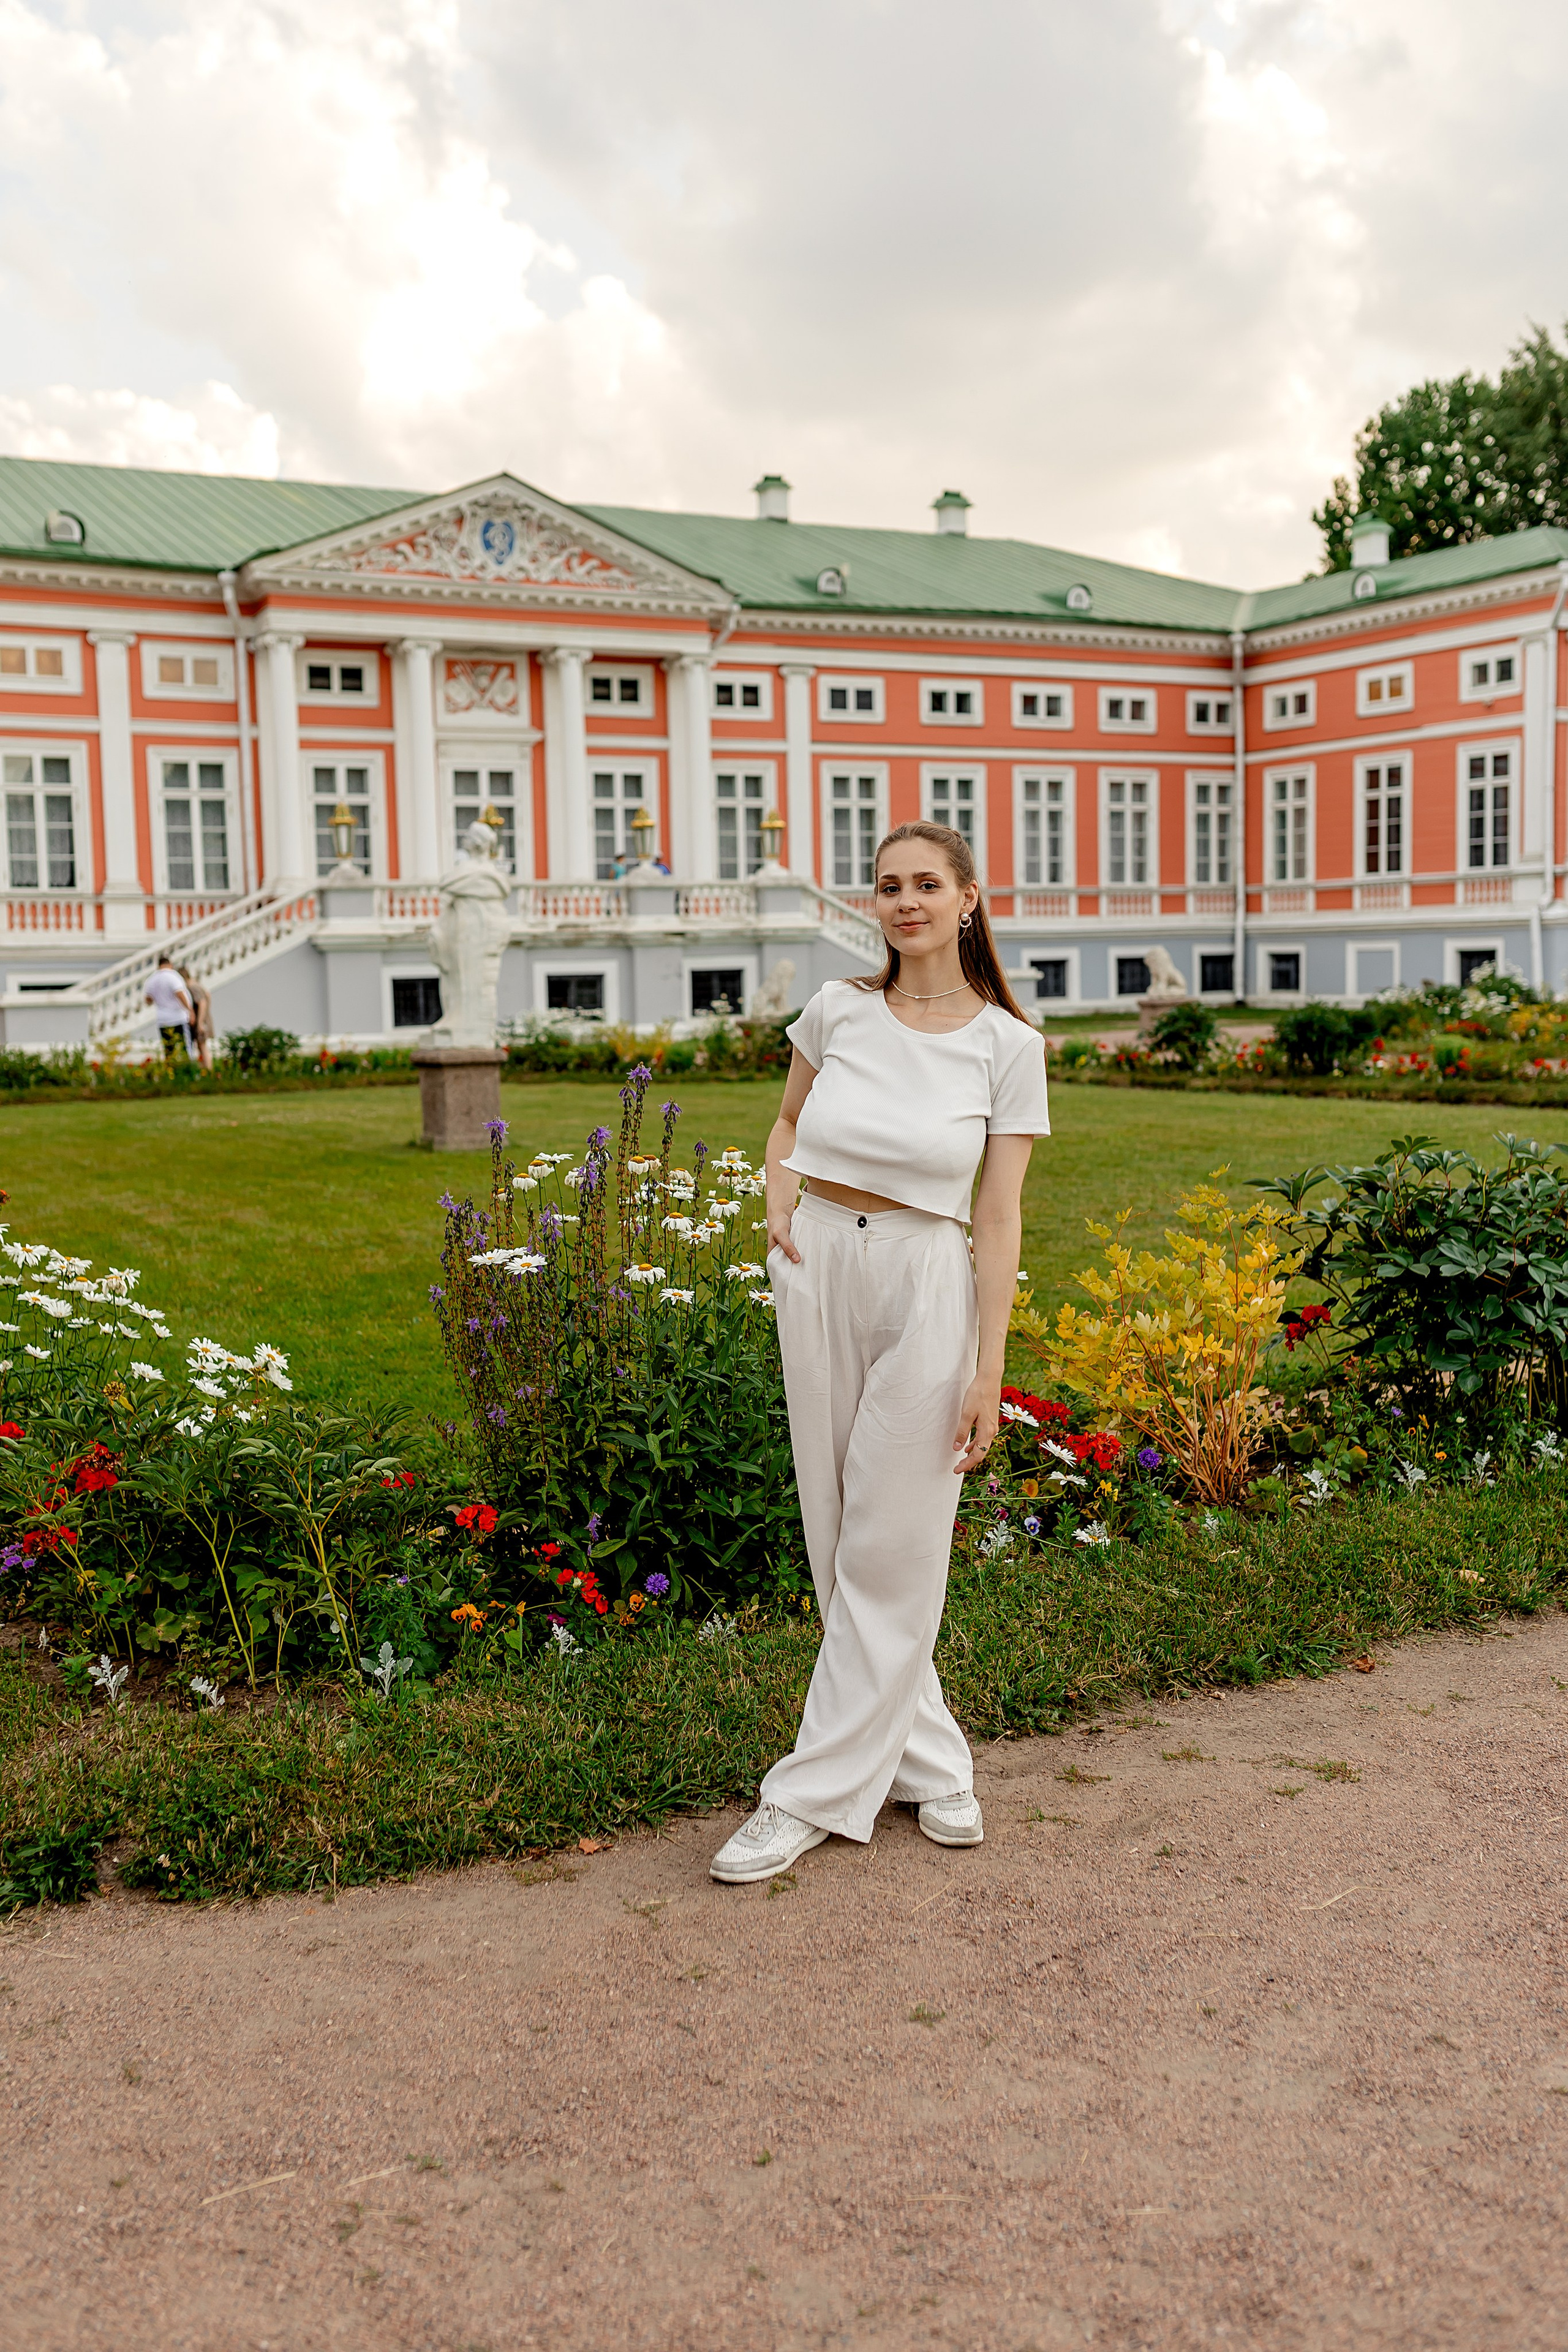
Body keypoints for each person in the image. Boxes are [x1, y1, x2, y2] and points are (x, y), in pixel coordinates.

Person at [710, 820, 1050, 1885]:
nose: (905, 902)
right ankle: (933, 1759)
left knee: (894, 1542)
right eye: (889, 886)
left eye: (926, 885)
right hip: (818, 1266)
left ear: (969, 899)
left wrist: (987, 1371)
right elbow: (785, 1122)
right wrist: (778, 1198)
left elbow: (998, 1222)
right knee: (838, 1527)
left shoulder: (1010, 1046)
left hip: (924, 1279)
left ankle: (803, 1796)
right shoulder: (839, 1009)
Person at [143, 953, 194, 1063]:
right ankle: (188, 1070)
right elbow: (180, 994)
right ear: (170, 964)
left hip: (163, 1019)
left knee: (169, 1050)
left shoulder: (152, 979)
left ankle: (171, 1071)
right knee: (185, 1047)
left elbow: (148, 1000)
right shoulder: (173, 976)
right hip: (178, 1017)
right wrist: (190, 1010)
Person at [178, 964, 214, 1071]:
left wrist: (200, 1022)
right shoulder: (197, 984)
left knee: (203, 1047)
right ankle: (205, 1069)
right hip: (204, 1020)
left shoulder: (192, 987)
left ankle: (209, 1070)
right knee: (200, 1046)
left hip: (201, 1021)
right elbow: (208, 996)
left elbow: (202, 1003)